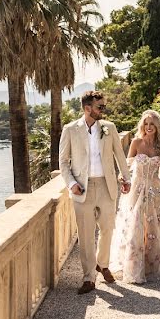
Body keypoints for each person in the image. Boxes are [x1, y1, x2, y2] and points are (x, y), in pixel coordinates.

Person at [59, 90, 131, 294]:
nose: (103, 110)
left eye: (104, 106)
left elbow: (119, 155)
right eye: (100, 107)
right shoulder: (70, 129)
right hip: (82, 188)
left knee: (108, 228)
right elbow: (63, 162)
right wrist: (71, 183)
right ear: (87, 108)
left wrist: (126, 178)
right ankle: (89, 277)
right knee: (86, 234)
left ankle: (103, 263)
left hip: (107, 185)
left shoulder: (109, 128)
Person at [112, 109, 160, 284]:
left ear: (158, 126)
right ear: (142, 125)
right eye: (146, 123)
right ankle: (135, 264)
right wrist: (122, 178)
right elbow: (126, 167)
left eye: (152, 124)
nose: (149, 127)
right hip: (137, 189)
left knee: (153, 226)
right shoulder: (136, 143)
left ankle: (152, 264)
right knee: (136, 223)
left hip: (155, 189)